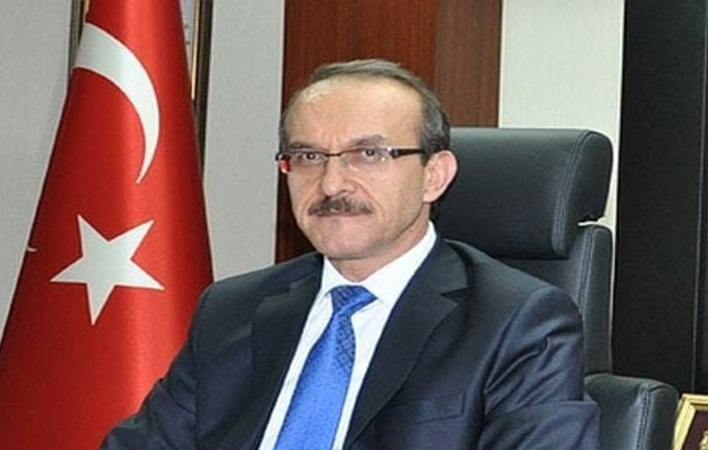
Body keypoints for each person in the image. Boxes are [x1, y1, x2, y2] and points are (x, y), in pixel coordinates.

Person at [101, 58, 599, 449]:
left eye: (369, 154)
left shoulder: (517, 323)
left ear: (435, 176)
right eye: (308, 156)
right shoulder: (232, 310)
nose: (332, 183)